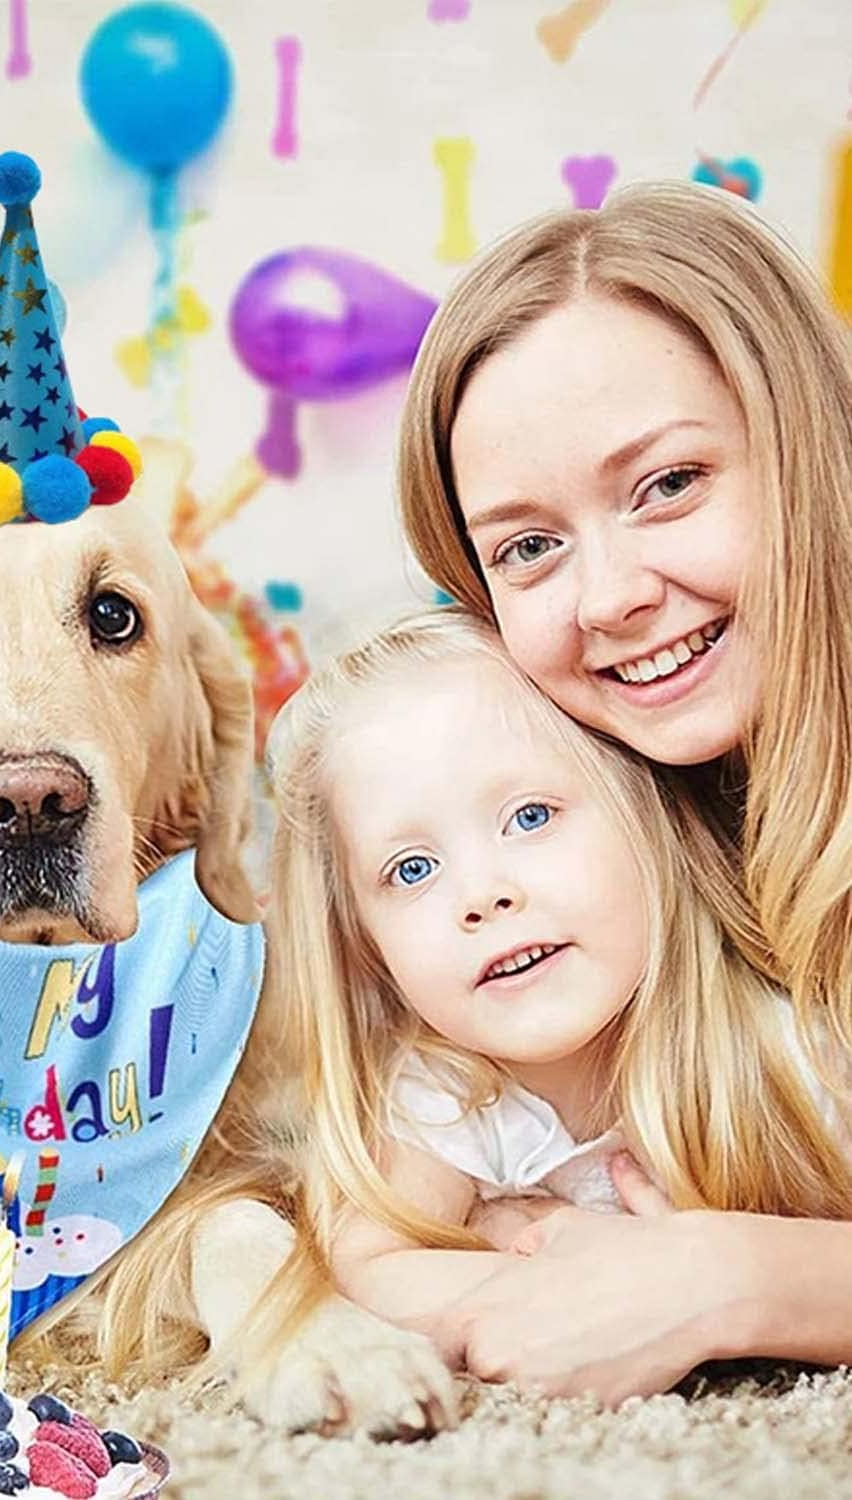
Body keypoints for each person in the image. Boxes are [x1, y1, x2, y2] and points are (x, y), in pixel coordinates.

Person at [395, 180, 852, 1397]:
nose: (608, 600)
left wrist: (732, 1279)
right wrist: (524, 1249)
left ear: (808, 452)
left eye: (667, 484)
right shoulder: (613, 853)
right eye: (528, 547)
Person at [256, 609, 852, 1403]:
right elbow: (365, 1267)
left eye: (529, 817)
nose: (481, 895)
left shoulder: (801, 1047)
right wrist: (538, 1281)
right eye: (410, 870)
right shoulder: (447, 1090)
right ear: (365, 948)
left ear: (646, 815)